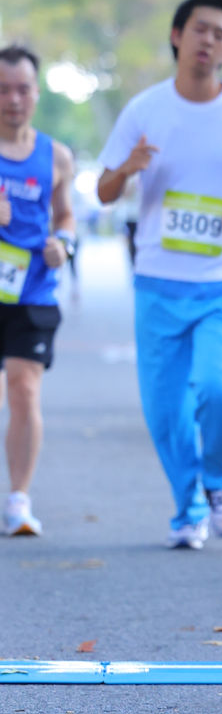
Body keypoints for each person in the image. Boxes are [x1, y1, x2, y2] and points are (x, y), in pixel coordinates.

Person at [97, 0, 222, 549]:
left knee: (220, 392)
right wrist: (127, 167)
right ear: (177, 35)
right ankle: (188, 509)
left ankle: (217, 482)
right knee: (167, 411)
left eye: (221, 34)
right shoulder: (144, 110)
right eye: (200, 29)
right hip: (158, 283)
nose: (208, 40)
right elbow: (103, 192)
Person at [0, 45, 76, 536]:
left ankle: (18, 501)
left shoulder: (56, 155)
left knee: (24, 390)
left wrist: (63, 243)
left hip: (32, 293)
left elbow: (65, 214)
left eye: (22, 89)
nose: (13, 99)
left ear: (36, 92)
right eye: (3, 90)